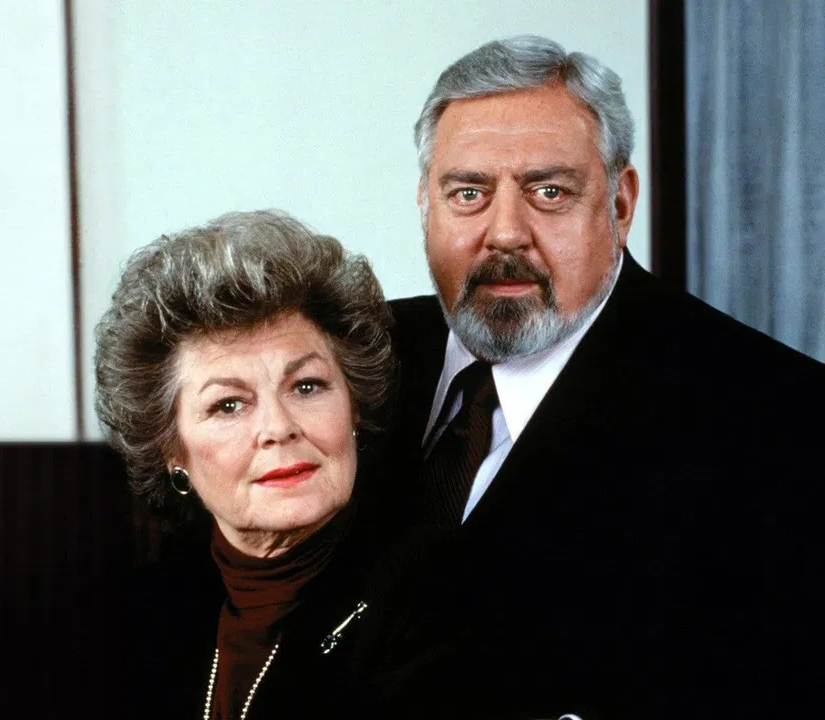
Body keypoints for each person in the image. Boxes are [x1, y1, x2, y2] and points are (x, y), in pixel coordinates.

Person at [374, 35, 825, 719]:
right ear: (424, 202)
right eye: (468, 193)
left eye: (549, 192)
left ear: (620, 203)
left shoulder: (781, 422)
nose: (505, 233)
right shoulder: (347, 361)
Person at [95, 210, 439, 719]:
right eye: (228, 405)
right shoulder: (143, 614)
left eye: (307, 386)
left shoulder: (437, 595)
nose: (278, 427)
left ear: (355, 407)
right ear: (170, 448)